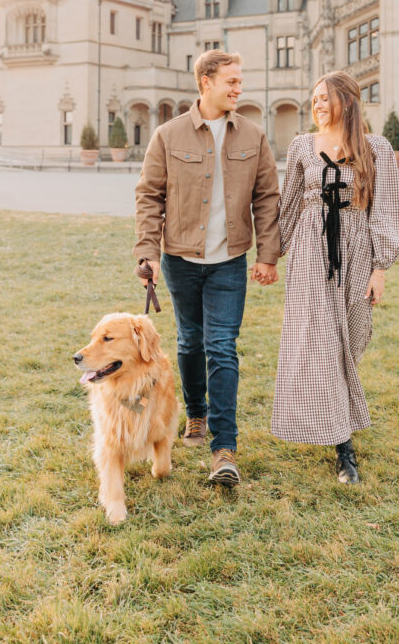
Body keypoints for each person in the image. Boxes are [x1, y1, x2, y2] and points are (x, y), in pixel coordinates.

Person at [134, 50, 280, 485]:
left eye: (240, 80)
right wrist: (148, 253)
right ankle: (195, 414)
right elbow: (149, 196)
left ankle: (224, 448)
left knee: (221, 347)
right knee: (189, 343)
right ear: (205, 84)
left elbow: (268, 196)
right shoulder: (167, 134)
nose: (239, 88)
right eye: (231, 81)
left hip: (229, 263)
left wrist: (268, 254)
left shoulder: (253, 135)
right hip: (180, 259)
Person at [271, 70, 399, 484]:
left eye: (326, 97)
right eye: (315, 98)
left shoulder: (376, 148)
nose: (318, 105)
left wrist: (380, 268)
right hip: (312, 251)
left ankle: (333, 416)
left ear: (347, 101)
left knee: (355, 333)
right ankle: (343, 448)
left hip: (358, 247)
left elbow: (386, 209)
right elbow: (288, 206)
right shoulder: (301, 147)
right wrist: (269, 256)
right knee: (322, 341)